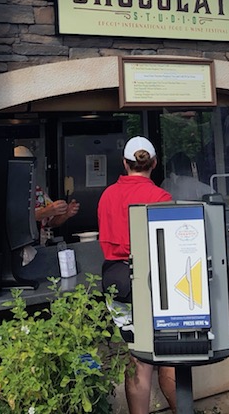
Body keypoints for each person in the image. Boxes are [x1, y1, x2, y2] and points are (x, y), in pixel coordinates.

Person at [97, 136, 177, 414]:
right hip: (153, 281)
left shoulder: (107, 195)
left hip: (116, 283)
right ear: (154, 163)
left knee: (138, 358)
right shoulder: (161, 198)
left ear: (124, 163)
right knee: (169, 356)